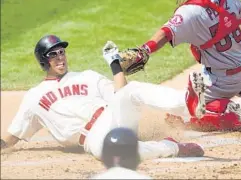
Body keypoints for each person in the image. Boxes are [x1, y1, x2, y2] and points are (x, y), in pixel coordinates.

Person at [0, 34, 204, 161]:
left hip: (112, 115)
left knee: (132, 90)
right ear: (44, 61)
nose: (60, 56)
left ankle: (187, 102)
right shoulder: (34, 97)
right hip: (92, 139)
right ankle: (172, 147)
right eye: (53, 54)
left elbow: (120, 93)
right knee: (117, 154)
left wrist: (115, 64)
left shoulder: (87, 76)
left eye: (62, 52)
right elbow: (13, 136)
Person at [127, 0, 241, 131]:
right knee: (230, 74)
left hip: (226, 78)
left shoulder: (190, 11)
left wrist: (144, 50)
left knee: (194, 102)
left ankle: (230, 115)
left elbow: (166, 33)